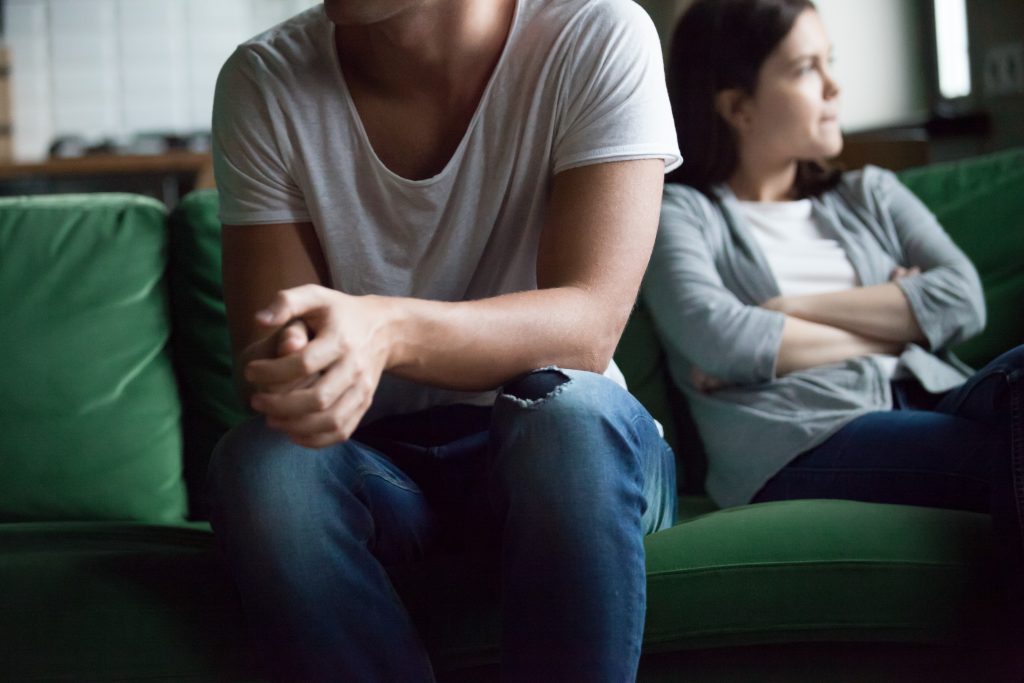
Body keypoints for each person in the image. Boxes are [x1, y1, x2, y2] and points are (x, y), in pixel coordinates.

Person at [205, 0, 680, 680]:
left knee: (570, 421)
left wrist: (389, 328)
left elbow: (588, 325)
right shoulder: (265, 79)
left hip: (572, 460)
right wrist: (300, 373)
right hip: (388, 475)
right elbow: (278, 373)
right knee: (264, 465)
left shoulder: (598, 34)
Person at [644, 0, 1023, 672]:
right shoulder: (682, 215)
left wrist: (790, 309)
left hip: (930, 396)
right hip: (804, 436)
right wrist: (899, 320)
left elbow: (961, 300)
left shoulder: (871, 194)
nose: (834, 87)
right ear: (739, 107)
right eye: (806, 69)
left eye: (831, 63)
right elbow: (722, 340)